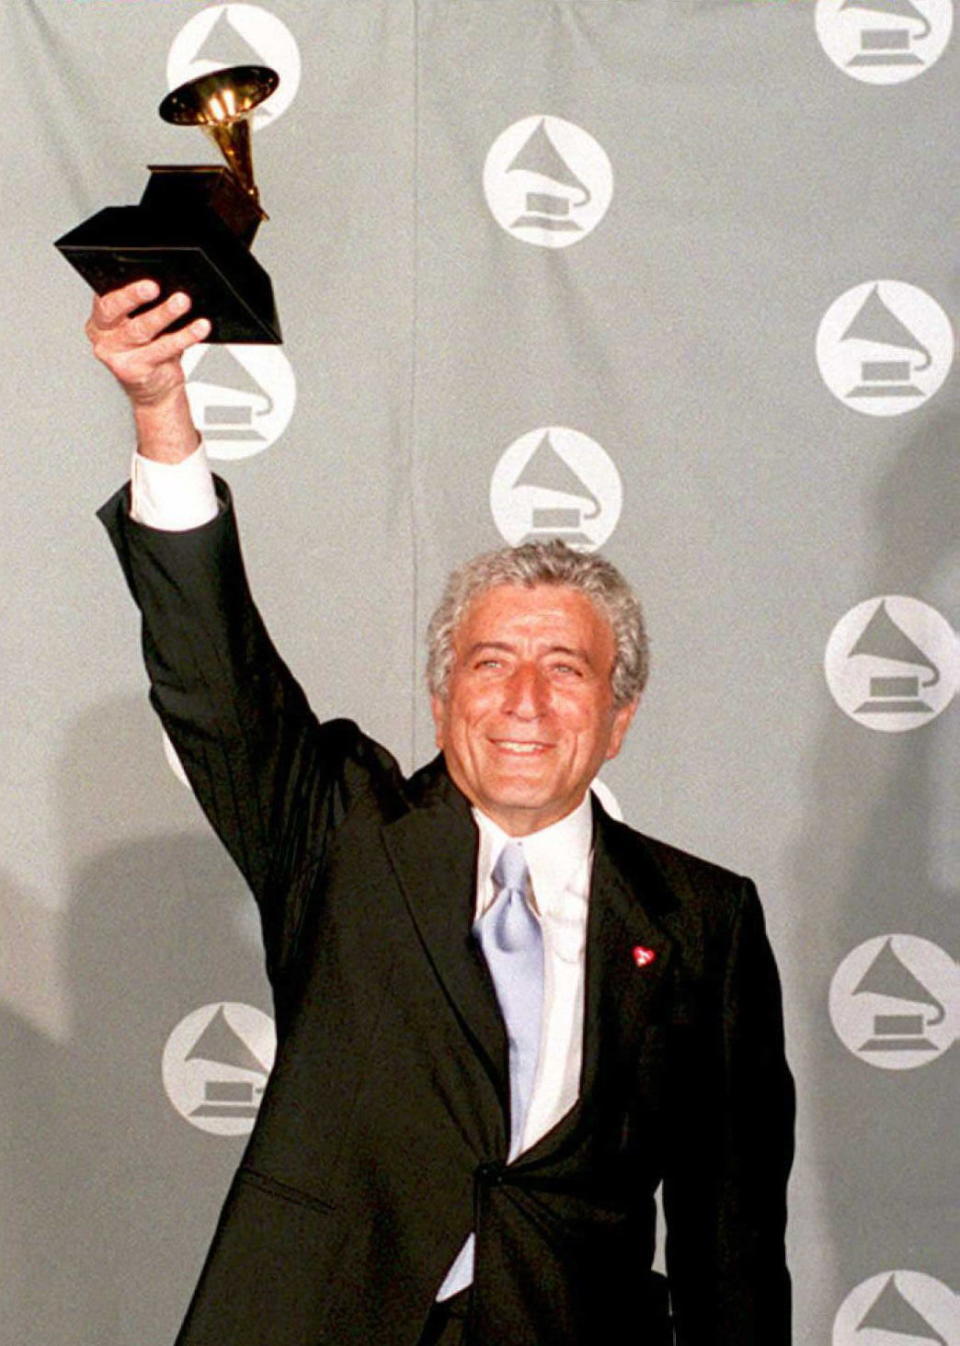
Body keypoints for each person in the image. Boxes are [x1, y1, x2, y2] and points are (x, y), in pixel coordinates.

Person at [87, 281, 794, 1346]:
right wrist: (160, 413)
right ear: (440, 694)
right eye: (491, 662)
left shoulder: (703, 918)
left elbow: (728, 1234)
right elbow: (214, 675)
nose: (523, 700)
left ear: (620, 716)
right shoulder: (341, 832)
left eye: (566, 668)